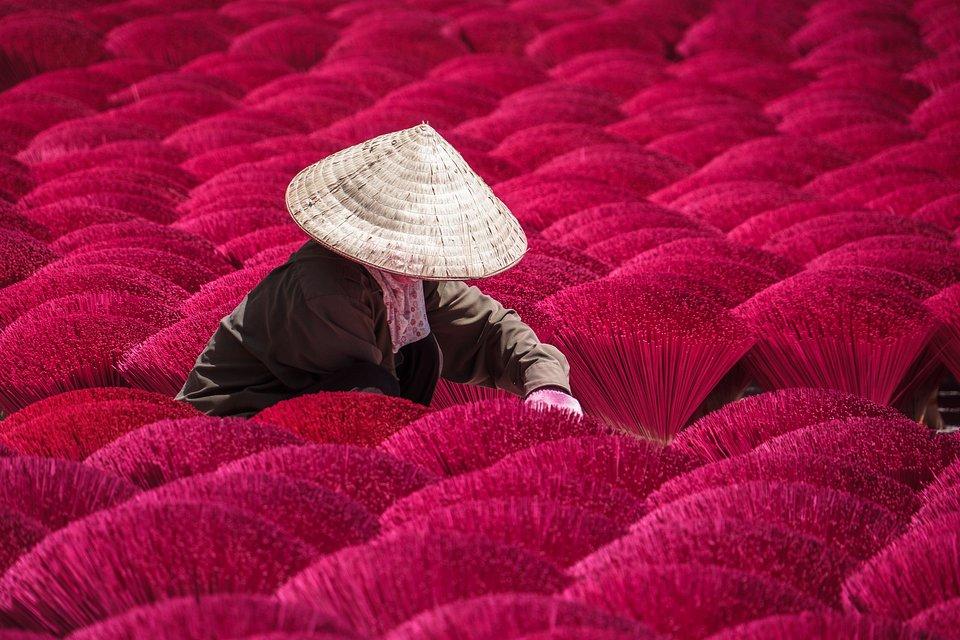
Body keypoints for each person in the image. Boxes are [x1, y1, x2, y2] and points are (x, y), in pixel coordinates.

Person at [177, 124, 582, 418]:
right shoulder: (326, 289)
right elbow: (369, 399)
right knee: (376, 379)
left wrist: (545, 382)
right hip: (232, 421)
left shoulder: (408, 281)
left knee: (420, 352)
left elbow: (488, 329)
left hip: (320, 411)